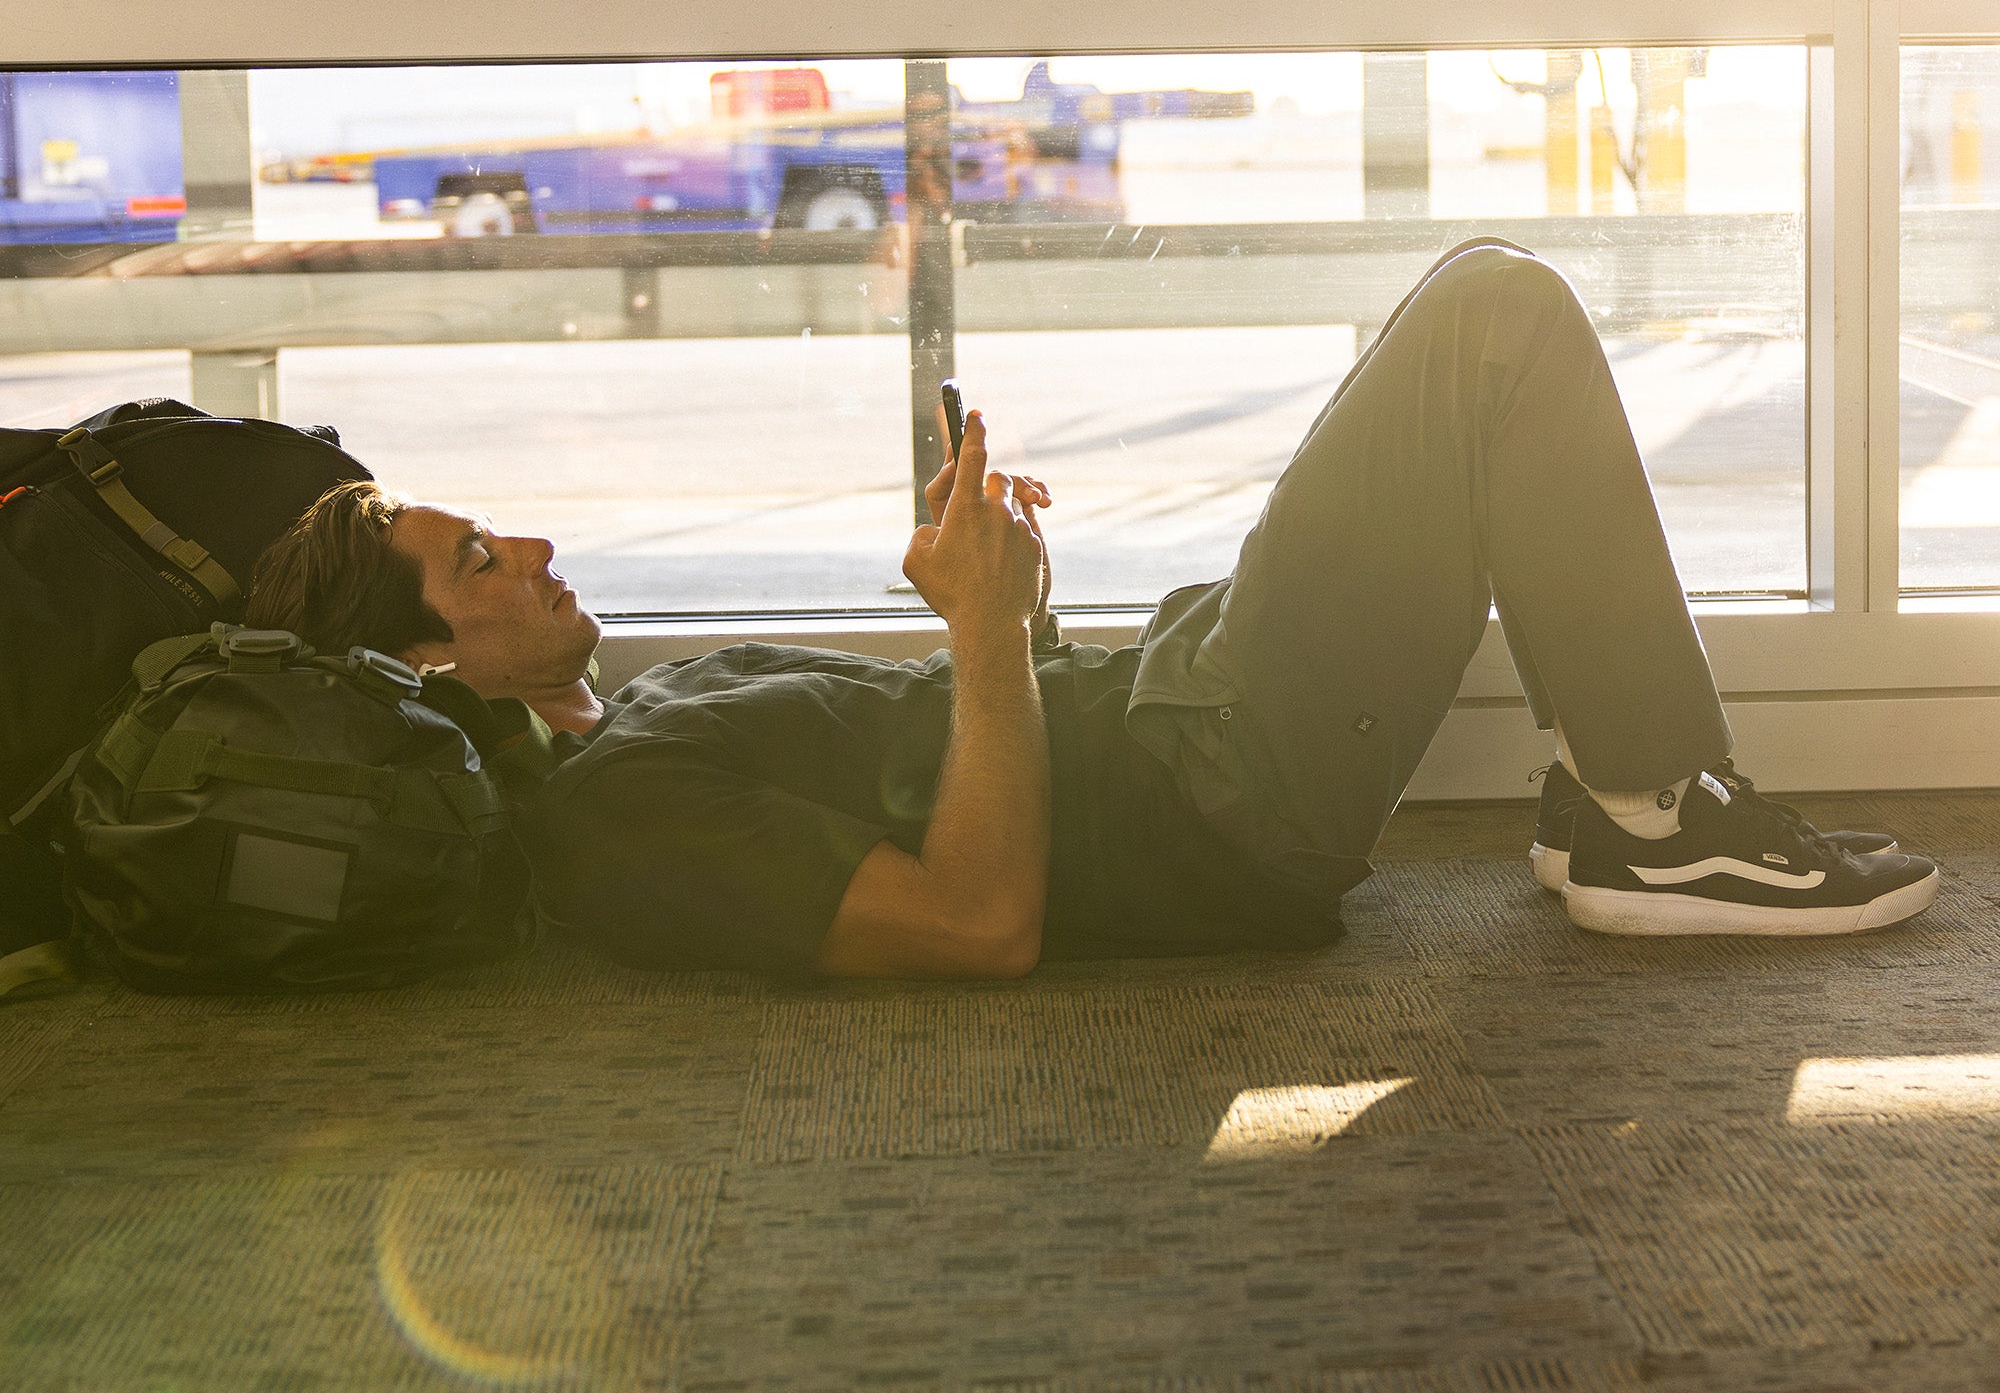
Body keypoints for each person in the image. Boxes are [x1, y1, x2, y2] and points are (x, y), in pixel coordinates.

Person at [245, 240, 1939, 980]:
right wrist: (985, 641)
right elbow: (981, 923)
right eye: (480, 570)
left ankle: (1628, 799)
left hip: (1176, 711)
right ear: (433, 671)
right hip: (1217, 798)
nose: (527, 552)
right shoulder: (617, 830)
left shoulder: (652, 710)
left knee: (1457, 316)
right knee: (1493, 320)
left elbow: (957, 756)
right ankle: (1651, 810)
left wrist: (1018, 613)